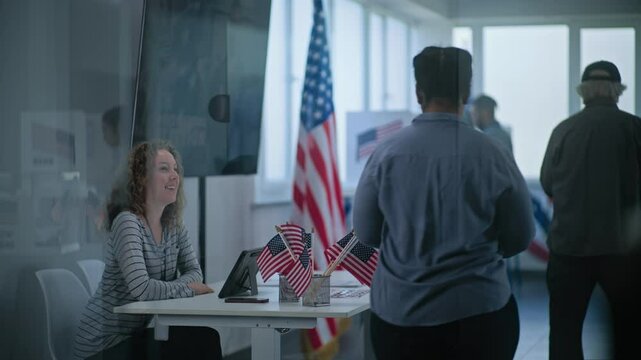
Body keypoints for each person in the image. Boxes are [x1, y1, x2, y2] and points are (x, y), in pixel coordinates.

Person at [352, 46, 534, 360]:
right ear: (466, 93)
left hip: (400, 319)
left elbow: (366, 233)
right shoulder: (493, 153)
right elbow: (521, 234)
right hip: (481, 313)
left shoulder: (385, 153)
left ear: (418, 92)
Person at [74, 140, 223, 360]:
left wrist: (183, 285)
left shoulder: (173, 224)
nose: (174, 176)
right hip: (102, 344)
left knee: (204, 337)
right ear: (141, 179)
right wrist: (190, 289)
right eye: (164, 169)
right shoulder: (128, 223)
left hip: (132, 337)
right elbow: (142, 290)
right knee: (198, 343)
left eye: (175, 169)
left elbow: (195, 272)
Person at [540, 60, 641, 360]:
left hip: (569, 249)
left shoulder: (563, 130)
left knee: (564, 331)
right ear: (617, 92)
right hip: (624, 252)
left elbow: (547, 183)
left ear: (583, 93)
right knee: (630, 331)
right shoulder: (634, 128)